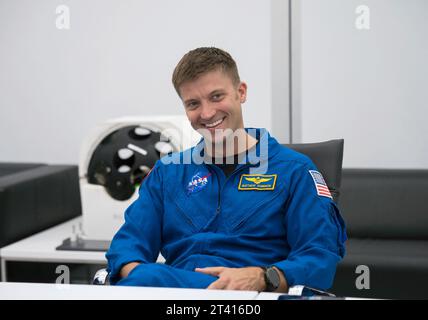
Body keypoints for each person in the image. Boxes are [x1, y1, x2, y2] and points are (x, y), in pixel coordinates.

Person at [106, 47, 347, 292]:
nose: (207, 113)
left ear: (241, 92)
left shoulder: (295, 171)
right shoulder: (167, 173)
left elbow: (319, 259)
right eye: (193, 103)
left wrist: (265, 277)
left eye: (216, 97)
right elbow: (126, 248)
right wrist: (140, 277)